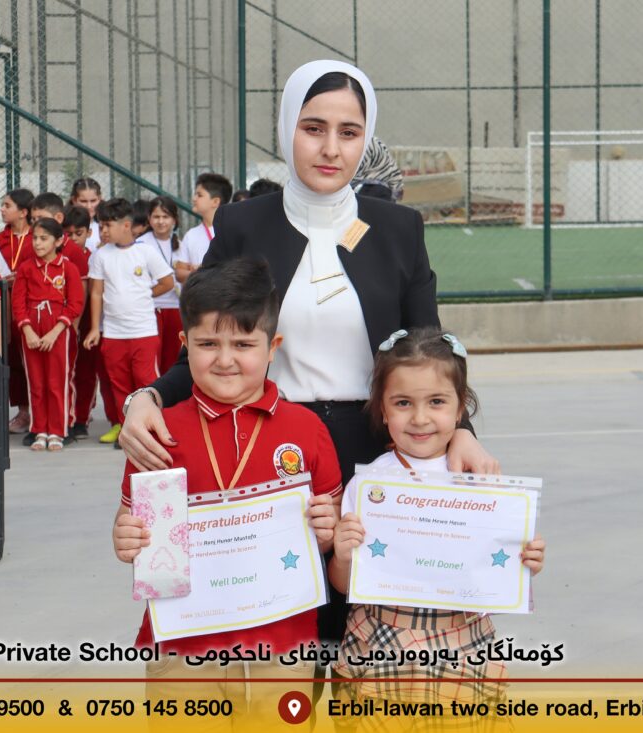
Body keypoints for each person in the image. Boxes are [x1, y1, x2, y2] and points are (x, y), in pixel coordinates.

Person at [119, 60, 499, 643]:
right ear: (285, 128)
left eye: (349, 132)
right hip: (273, 447)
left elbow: (429, 351)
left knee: (368, 630)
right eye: (313, 128)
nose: (330, 149)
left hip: (376, 450)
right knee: (277, 632)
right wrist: (146, 397)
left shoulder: (398, 228)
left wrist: (463, 432)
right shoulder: (242, 224)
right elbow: (209, 337)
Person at [110, 258, 340, 726]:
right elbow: (130, 522)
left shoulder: (307, 430)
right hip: (183, 651)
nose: (225, 359)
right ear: (184, 344)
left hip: (283, 649)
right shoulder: (157, 434)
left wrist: (325, 531)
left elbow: (328, 529)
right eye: (208, 343)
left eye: (244, 344)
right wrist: (125, 538)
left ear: (273, 347)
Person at [329, 327, 545, 724]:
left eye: (437, 402)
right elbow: (344, 585)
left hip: (461, 643)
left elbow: (502, 570)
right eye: (403, 403)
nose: (420, 418)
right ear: (382, 410)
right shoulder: (368, 485)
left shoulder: (481, 478)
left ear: (461, 408)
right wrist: (342, 555)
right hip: (383, 642)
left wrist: (527, 559)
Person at [83, 198, 174, 447]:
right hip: (113, 333)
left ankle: (152, 429)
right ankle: (127, 431)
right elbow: (96, 293)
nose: (103, 231)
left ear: (125, 225)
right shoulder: (101, 255)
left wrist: (145, 294)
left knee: (146, 382)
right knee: (119, 384)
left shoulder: (145, 251)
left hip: (144, 331)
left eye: (107, 225)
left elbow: (167, 282)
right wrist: (95, 328)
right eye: (101, 225)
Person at [12, 218, 85, 451]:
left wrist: (55, 333)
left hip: (58, 330)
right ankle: (39, 429)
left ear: (59, 241)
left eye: (44, 238)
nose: (37, 243)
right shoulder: (26, 268)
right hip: (32, 329)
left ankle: (57, 430)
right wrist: (28, 331)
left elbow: (75, 304)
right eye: (35, 238)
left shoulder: (68, 268)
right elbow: (18, 303)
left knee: (57, 381)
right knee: (36, 381)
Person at [0, 188, 36, 436]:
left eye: (7, 205)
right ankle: (23, 411)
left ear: (23, 212)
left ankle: (43, 412)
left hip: (31, 307)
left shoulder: (37, 237)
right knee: (14, 362)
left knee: (35, 362)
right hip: (6, 306)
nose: (2, 209)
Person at [64, 205, 103, 438]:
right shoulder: (58, 258)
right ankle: (66, 415)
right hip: (64, 320)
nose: (73, 239)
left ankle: (81, 418)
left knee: (86, 371)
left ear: (89, 233)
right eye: (68, 234)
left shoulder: (93, 258)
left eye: (78, 233)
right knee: (66, 371)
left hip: (88, 321)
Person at [140, 196, 185, 374]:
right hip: (153, 307)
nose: (161, 221)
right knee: (153, 357)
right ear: (149, 219)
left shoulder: (180, 244)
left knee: (173, 357)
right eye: (156, 217)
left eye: (165, 217)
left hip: (175, 307)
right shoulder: (142, 243)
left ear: (174, 220)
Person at [175, 173, 232, 285]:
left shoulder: (231, 231)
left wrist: (200, 270)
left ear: (215, 201)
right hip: (200, 294)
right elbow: (179, 273)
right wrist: (198, 272)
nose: (194, 199)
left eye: (199, 195)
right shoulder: (191, 235)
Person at [69, 177, 104, 250]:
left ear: (100, 199)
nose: (89, 206)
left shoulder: (105, 226)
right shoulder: (65, 226)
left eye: (93, 201)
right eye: (83, 201)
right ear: (74, 200)